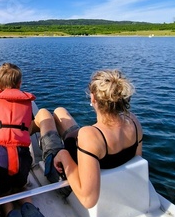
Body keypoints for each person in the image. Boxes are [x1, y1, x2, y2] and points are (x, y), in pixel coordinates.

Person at [34, 69, 143, 209]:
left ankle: (20, 137)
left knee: (44, 115)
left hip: (69, 181)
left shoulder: (90, 135)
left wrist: (64, 155)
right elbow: (137, 160)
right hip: (97, 156)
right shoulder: (133, 121)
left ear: (93, 98)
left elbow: (88, 200)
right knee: (59, 111)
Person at [0, 63, 53, 217]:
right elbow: (27, 122)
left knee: (5, 193)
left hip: (0, 162)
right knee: (21, 186)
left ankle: (11, 214)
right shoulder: (27, 102)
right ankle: (29, 207)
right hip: (22, 161)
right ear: (20, 83)